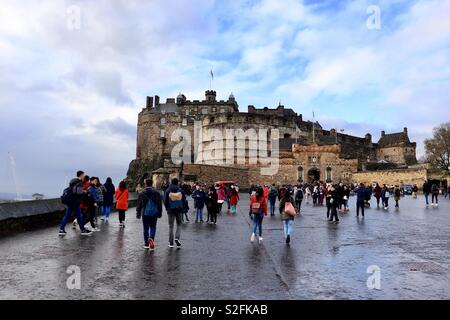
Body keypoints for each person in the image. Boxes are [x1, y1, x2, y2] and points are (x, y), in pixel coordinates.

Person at [59, 170, 92, 236]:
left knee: (67, 216)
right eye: (83, 175)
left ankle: (61, 229)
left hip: (70, 201)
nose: (84, 176)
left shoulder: (72, 180)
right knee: (79, 216)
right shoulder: (79, 182)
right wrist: (85, 192)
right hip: (75, 201)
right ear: (81, 175)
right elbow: (78, 192)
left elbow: (72, 190)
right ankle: (82, 230)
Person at [136, 179, 162, 250]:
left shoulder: (142, 193)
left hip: (145, 213)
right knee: (153, 227)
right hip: (154, 213)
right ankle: (151, 238)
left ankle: (146, 244)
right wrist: (160, 213)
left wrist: (138, 214)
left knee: (146, 228)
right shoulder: (156, 193)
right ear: (152, 184)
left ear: (145, 184)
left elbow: (139, 204)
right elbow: (159, 204)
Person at [164, 178, 187, 248]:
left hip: (170, 210)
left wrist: (167, 208)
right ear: (177, 183)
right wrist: (183, 208)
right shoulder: (180, 190)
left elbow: (165, 201)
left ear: (171, 182)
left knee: (171, 226)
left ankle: (171, 243)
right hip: (179, 209)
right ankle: (177, 237)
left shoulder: (168, 190)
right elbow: (184, 200)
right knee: (179, 224)